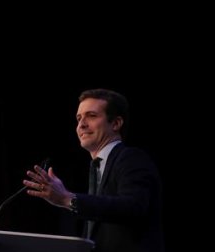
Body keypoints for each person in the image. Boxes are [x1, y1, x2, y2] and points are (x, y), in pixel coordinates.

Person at [22, 88, 164, 252]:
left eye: (92, 116)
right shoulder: (96, 169)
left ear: (116, 123)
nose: (81, 124)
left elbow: (134, 206)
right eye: (78, 118)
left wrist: (68, 199)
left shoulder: (131, 158)